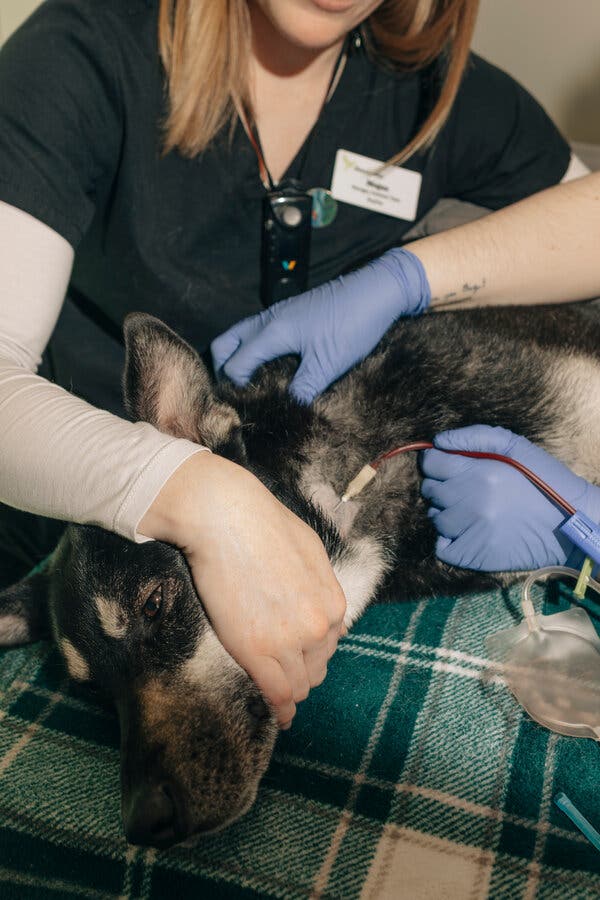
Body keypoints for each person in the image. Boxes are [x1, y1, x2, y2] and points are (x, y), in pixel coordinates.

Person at [0, 0, 591, 729]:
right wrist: (198, 493)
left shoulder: (431, 91)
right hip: (65, 516)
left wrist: (415, 272)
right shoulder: (84, 53)